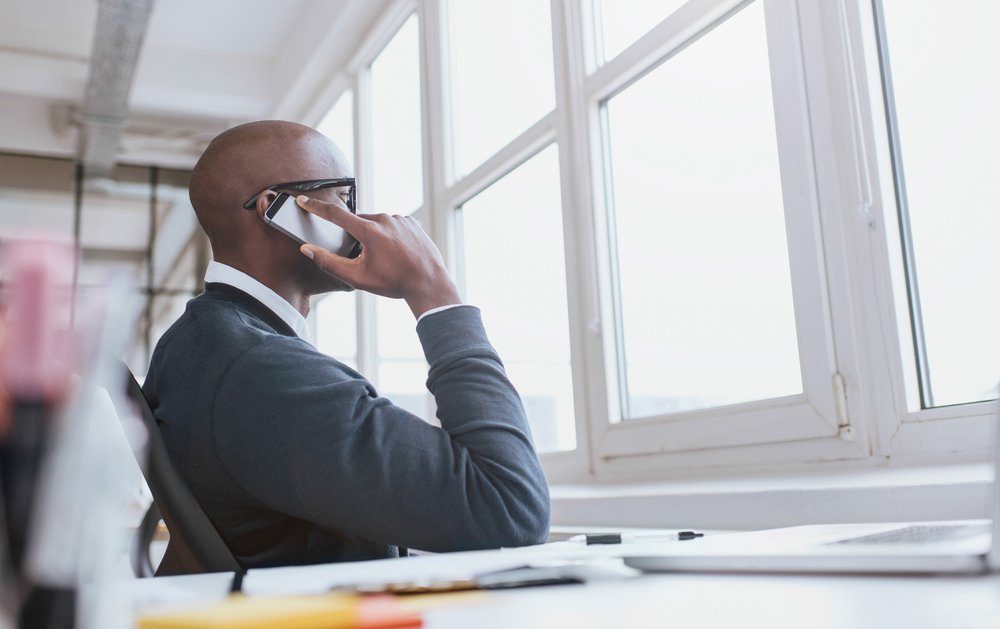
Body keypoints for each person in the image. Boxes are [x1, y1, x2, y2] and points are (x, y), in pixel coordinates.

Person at [142, 120, 550, 571]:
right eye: (341, 196)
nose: (359, 219)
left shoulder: (202, 342)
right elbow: (511, 509)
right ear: (273, 209)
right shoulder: (260, 371)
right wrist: (435, 294)